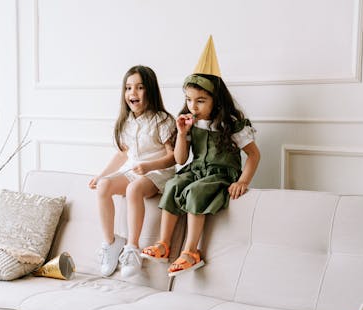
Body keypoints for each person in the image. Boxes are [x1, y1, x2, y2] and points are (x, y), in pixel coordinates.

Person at [141, 36, 261, 276]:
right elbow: (180, 159)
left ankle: (191, 252)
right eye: (188, 100)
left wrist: (243, 181)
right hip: (195, 170)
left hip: (221, 174)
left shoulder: (231, 123)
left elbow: (254, 155)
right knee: (174, 184)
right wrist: (183, 133)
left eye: (200, 101)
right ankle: (164, 245)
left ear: (216, 101)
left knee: (195, 192)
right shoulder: (188, 121)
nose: (192, 106)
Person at [89, 65, 177, 278]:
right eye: (128, 88)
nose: (132, 93)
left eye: (139, 87)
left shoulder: (163, 120)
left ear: (150, 90)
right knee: (104, 186)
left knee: (134, 189)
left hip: (157, 173)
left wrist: (149, 166)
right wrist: (102, 175)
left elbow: (173, 156)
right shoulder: (125, 121)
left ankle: (132, 247)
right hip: (133, 170)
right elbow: (122, 154)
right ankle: (111, 243)